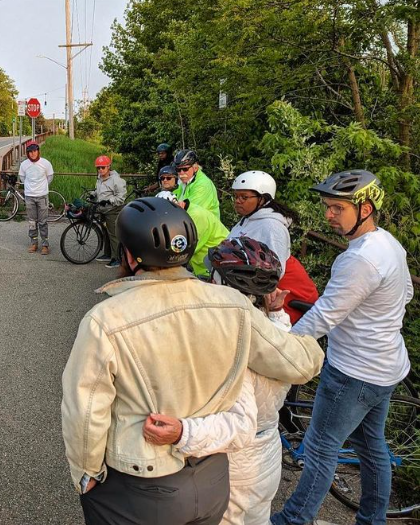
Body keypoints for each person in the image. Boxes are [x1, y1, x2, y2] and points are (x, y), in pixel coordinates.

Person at [61, 197, 323, 525]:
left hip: (142, 481)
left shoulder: (105, 320)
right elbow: (302, 363)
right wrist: (284, 322)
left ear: (129, 254)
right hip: (213, 479)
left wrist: (86, 473)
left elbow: (85, 412)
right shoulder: (234, 305)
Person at [272, 170, 412, 525]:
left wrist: (281, 348)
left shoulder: (359, 260)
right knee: (371, 447)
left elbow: (323, 317)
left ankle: (292, 520)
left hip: (354, 372)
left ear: (365, 209)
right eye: (327, 207)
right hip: (386, 367)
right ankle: (372, 520)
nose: (328, 216)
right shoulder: (388, 243)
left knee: (320, 449)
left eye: (337, 208)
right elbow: (407, 293)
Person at [143, 237, 292, 525]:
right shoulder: (275, 335)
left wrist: (182, 433)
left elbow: (239, 426)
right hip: (269, 452)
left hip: (238, 463)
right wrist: (277, 313)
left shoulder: (236, 346)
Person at [228, 170, 318, 322]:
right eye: (236, 196)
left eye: (244, 197)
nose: (238, 201)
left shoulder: (271, 226)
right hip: (258, 287)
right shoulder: (247, 220)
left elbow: (274, 271)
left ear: (263, 199)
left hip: (285, 293)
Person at [156, 190, 228, 278]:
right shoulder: (184, 214)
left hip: (216, 268)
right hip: (203, 267)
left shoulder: (195, 216)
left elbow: (187, 248)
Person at [91, 155, 127, 268]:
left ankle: (116, 258)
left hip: (113, 210)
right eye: (98, 168)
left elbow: (121, 197)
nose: (100, 170)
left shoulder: (117, 180)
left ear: (108, 167)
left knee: (113, 234)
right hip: (103, 209)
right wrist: (93, 194)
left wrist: (109, 201)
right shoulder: (100, 178)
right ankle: (107, 254)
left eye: (103, 167)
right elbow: (99, 190)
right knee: (105, 232)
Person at [18, 139, 54, 255]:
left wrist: (42, 187)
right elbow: (22, 178)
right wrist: (30, 187)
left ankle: (45, 244)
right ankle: (33, 243)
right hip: (29, 196)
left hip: (42, 196)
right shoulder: (24, 165)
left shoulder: (46, 163)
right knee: (32, 221)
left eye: (34, 151)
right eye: (30, 152)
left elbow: (50, 177)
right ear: (27, 153)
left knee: (43, 221)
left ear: (38, 151)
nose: (32, 153)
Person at [172, 149, 221, 221]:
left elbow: (190, 211)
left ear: (195, 167)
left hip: (206, 229)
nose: (181, 173)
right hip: (192, 224)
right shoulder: (182, 183)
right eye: (178, 170)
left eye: (185, 169)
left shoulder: (203, 184)